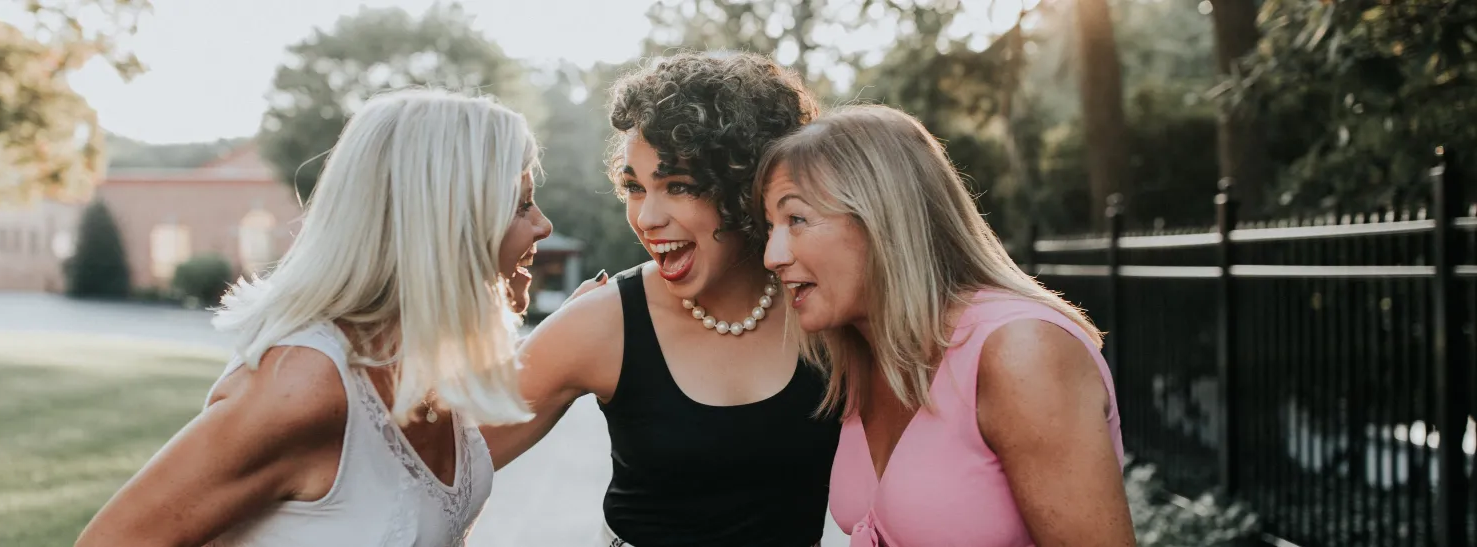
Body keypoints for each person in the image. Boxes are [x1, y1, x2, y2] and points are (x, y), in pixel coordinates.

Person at [75, 89, 554, 547]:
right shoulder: (307, 386)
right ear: (446, 224)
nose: (543, 226)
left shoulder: (424, 361)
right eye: (520, 205)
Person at [481, 52, 840, 547]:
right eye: (634, 186)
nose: (646, 217)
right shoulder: (604, 320)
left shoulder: (826, 309)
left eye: (679, 186)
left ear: (749, 187)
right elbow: (431, 470)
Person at [757, 105, 1134, 547]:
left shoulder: (1019, 349)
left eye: (796, 219)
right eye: (770, 227)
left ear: (884, 217)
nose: (772, 255)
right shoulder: (867, 356)